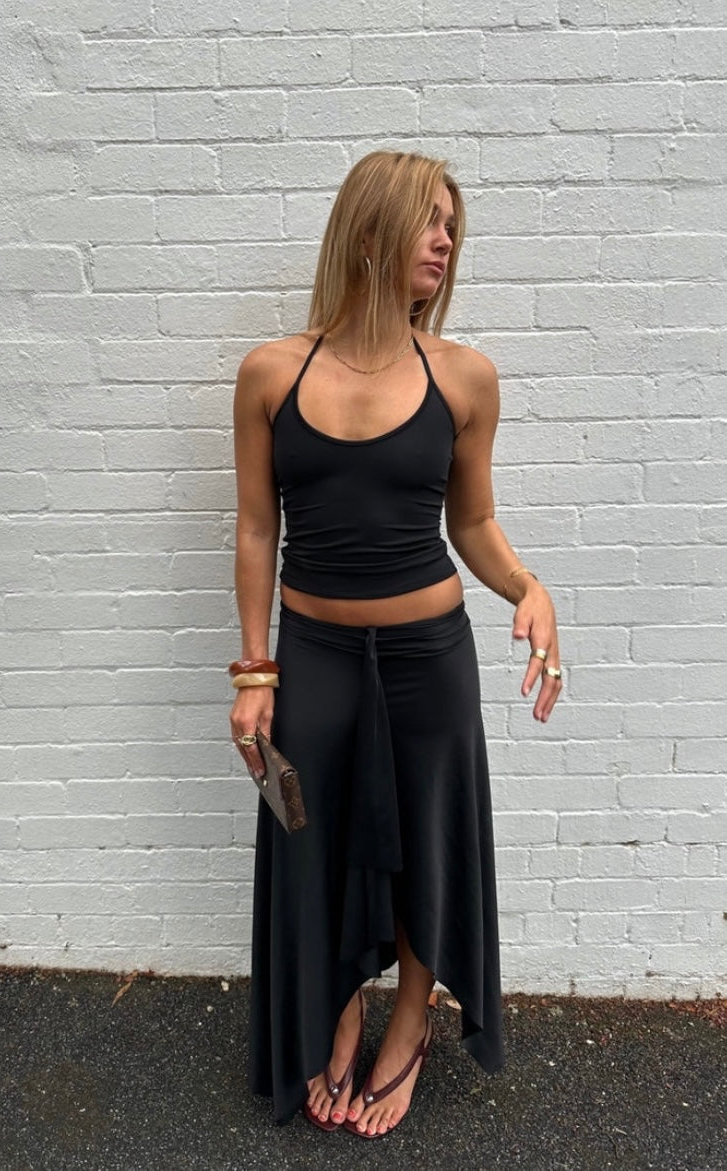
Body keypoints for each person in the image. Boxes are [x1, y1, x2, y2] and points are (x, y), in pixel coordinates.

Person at [229, 150, 562, 1137]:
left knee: (427, 840)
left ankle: (410, 1022)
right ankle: (338, 1008)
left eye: (453, 225)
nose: (446, 241)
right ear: (370, 230)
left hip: (429, 661)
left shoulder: (464, 377)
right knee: (305, 831)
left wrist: (529, 586)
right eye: (429, 220)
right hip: (313, 661)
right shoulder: (270, 373)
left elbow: (474, 524)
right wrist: (254, 671)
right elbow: (256, 528)